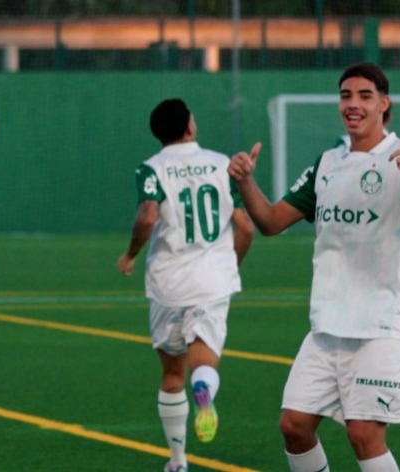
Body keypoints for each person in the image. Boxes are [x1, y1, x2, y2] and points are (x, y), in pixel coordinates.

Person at [228, 62, 400, 472]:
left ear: (383, 104)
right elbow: (270, 222)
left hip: (385, 325)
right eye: (346, 95)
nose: (353, 104)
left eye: (365, 96)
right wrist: (246, 182)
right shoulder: (327, 165)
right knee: (294, 426)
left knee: (364, 433)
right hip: (328, 325)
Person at [116, 98, 254, 472]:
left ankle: (178, 461)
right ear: (190, 127)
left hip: (168, 282)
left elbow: (147, 216)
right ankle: (204, 389)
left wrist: (130, 254)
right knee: (203, 361)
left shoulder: (151, 168)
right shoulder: (222, 164)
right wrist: (229, 265)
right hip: (213, 280)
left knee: (172, 374)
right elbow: (245, 227)